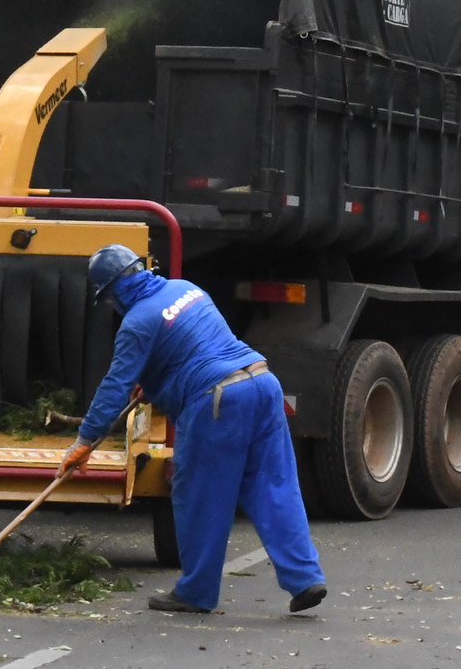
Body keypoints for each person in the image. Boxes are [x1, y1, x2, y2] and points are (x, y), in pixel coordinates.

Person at [62, 245, 326, 616]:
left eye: (107, 300)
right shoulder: (186, 289)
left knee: (200, 495)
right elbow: (192, 346)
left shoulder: (136, 322)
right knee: (274, 484)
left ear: (115, 290)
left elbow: (114, 387)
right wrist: (152, 383)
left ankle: (197, 592)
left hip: (217, 401)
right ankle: (305, 578)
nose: (111, 307)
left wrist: (86, 441)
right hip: (262, 383)